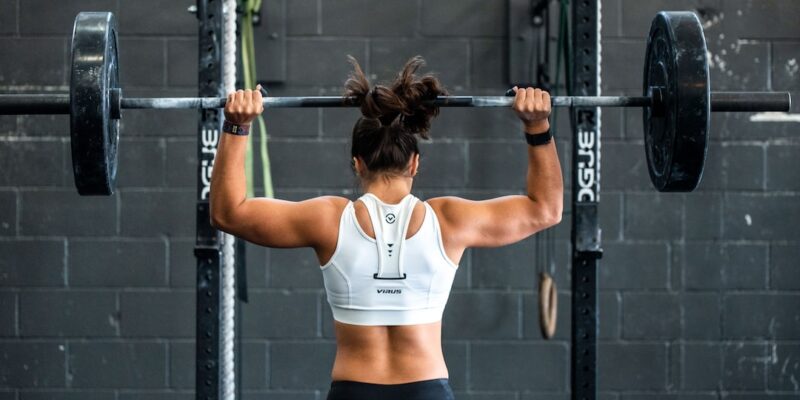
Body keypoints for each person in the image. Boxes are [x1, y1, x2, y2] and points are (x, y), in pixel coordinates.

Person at [210, 56, 563, 400]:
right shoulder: (449, 221)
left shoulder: (328, 220)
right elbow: (545, 209)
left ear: (356, 163)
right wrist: (538, 127)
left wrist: (237, 126)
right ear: (415, 163)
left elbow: (229, 213)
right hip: (427, 389)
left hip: (354, 389)